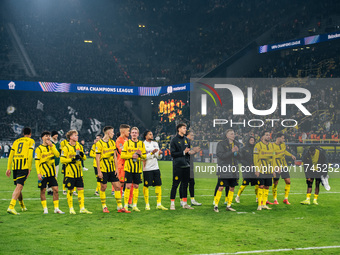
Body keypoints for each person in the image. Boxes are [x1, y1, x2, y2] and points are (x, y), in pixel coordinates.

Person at [96, 126, 129, 213]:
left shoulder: (112, 143)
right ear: (108, 133)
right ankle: (104, 207)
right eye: (112, 132)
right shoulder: (99, 144)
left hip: (112, 169)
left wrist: (117, 169)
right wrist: (99, 171)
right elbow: (97, 158)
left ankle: (119, 207)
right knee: (103, 187)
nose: (114, 134)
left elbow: (115, 156)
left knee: (117, 186)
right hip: (103, 169)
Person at [60, 130, 92, 214]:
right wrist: (72, 159)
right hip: (70, 173)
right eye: (75, 135)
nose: (77, 136)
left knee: (80, 190)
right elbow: (62, 160)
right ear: (70, 137)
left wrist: (82, 155)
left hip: (79, 173)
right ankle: (71, 208)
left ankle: (82, 208)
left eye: (77, 135)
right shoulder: (66, 147)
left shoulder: (79, 146)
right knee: (70, 190)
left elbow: (84, 158)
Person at [170, 123, 200, 210]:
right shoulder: (174, 140)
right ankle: (172, 203)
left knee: (185, 185)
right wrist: (183, 152)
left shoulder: (187, 139)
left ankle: (185, 203)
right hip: (178, 166)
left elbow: (188, 152)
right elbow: (172, 154)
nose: (185, 129)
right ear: (179, 129)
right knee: (175, 185)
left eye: (185, 128)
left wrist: (193, 151)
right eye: (183, 128)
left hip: (186, 165)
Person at [6, 127, 35, 215]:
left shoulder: (16, 141)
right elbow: (30, 155)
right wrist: (29, 168)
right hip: (23, 166)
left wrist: (8, 168)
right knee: (19, 187)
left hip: (15, 166)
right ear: (30, 134)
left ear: (23, 133)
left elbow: (11, 155)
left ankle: (22, 206)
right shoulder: (31, 141)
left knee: (19, 187)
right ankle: (11, 206)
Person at [35, 131, 64, 214]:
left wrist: (52, 146)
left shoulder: (53, 146)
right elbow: (37, 162)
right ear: (42, 138)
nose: (48, 137)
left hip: (52, 173)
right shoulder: (39, 149)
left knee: (56, 190)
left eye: (49, 136)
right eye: (46, 136)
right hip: (43, 173)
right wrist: (38, 173)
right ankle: (45, 209)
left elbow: (57, 155)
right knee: (43, 191)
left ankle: (56, 208)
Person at [214, 129, 241, 213]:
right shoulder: (221, 144)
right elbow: (221, 155)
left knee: (232, 187)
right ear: (227, 135)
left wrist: (237, 153)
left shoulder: (236, 144)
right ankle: (216, 206)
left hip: (234, 169)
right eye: (231, 134)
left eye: (234, 133)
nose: (233, 135)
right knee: (221, 187)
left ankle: (229, 205)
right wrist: (231, 151)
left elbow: (239, 157)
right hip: (224, 169)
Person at [121, 127, 146, 212]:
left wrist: (140, 155)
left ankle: (134, 205)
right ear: (130, 134)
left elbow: (145, 156)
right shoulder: (127, 143)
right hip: (128, 169)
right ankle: (126, 205)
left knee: (136, 186)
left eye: (136, 132)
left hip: (138, 169)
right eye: (133, 132)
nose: (134, 134)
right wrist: (131, 156)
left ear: (138, 134)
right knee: (127, 186)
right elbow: (122, 155)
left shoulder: (141, 144)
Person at [143, 130, 168, 210]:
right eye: (150, 134)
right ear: (145, 136)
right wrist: (151, 153)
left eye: (152, 134)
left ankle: (159, 204)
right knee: (146, 185)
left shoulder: (155, 144)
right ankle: (147, 204)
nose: (151, 135)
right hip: (147, 168)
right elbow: (143, 157)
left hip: (156, 167)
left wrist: (159, 154)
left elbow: (158, 157)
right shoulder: (143, 144)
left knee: (158, 184)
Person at [271, 133, 296, 205]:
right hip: (276, 166)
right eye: (282, 138)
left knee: (288, 181)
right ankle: (275, 199)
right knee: (275, 183)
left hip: (284, 165)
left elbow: (284, 151)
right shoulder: (272, 146)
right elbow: (272, 157)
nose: (283, 139)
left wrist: (291, 155)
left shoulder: (283, 144)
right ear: (278, 138)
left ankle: (286, 199)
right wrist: (275, 167)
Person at [179, 130, 202, 206]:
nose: (193, 136)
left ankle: (192, 200)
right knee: (183, 183)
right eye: (191, 135)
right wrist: (194, 151)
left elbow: (189, 154)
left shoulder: (189, 143)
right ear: (187, 135)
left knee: (192, 182)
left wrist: (195, 151)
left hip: (190, 164)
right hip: (184, 165)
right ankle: (182, 200)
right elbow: (184, 154)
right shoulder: (183, 142)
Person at [254, 131, 274, 211]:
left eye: (269, 135)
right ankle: (259, 205)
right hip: (261, 169)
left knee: (267, 187)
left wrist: (273, 169)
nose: (268, 136)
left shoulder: (271, 146)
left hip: (269, 170)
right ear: (262, 137)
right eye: (266, 135)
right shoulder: (258, 145)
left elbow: (273, 158)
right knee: (261, 186)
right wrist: (257, 169)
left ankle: (264, 204)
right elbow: (255, 158)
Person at [235, 136, 257, 204]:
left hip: (254, 168)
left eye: (253, 140)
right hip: (246, 168)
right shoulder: (243, 149)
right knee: (245, 183)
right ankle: (237, 196)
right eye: (251, 140)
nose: (252, 141)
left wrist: (253, 164)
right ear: (248, 140)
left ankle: (257, 198)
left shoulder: (256, 148)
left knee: (257, 183)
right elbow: (240, 159)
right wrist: (248, 165)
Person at [46, 130, 60, 196]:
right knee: (50, 176)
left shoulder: (57, 143)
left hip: (56, 162)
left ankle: (52, 189)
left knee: (55, 176)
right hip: (50, 162)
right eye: (55, 135)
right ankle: (49, 190)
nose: (57, 136)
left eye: (57, 135)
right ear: (53, 135)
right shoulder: (49, 142)